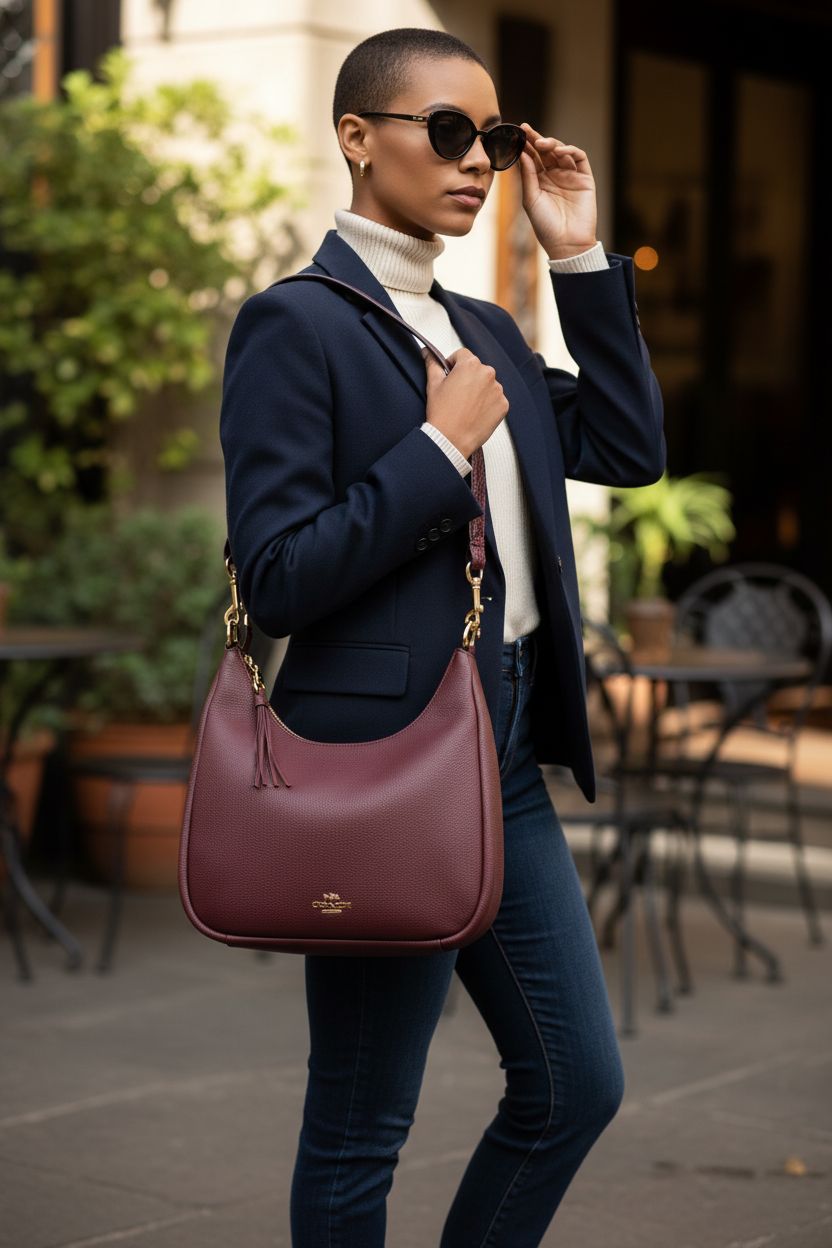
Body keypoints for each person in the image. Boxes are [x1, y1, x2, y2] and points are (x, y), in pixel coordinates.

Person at [220, 26, 665, 1248]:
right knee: (361, 1128)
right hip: (380, 771)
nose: (481, 163)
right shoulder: (294, 326)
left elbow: (627, 449)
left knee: (577, 1085)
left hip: (503, 757)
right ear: (358, 139)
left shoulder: (488, 329)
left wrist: (575, 258)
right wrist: (435, 452)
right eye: (451, 133)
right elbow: (275, 578)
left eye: (499, 140)